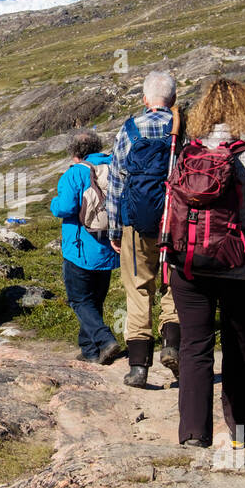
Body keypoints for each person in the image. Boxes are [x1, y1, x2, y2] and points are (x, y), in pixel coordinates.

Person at [169, 78, 245, 448]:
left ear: (204, 109)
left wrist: (166, 259)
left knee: (194, 346)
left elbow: (168, 212)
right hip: (242, 268)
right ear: (243, 110)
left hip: (188, 267)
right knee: (239, 345)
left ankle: (193, 433)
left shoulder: (184, 155)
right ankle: (240, 430)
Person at [107, 71, 181, 388]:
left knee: (138, 288)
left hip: (135, 223)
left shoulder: (129, 129)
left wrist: (113, 228)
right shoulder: (183, 129)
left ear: (145, 99)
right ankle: (172, 345)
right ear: (173, 99)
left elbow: (115, 181)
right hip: (176, 222)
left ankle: (138, 368)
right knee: (173, 285)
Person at [50, 130, 122, 365]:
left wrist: (53, 203)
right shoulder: (114, 167)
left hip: (80, 248)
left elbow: (65, 208)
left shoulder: (75, 174)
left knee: (80, 300)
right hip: (109, 247)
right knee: (95, 299)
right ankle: (90, 350)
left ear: (75, 154)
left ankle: (105, 339)